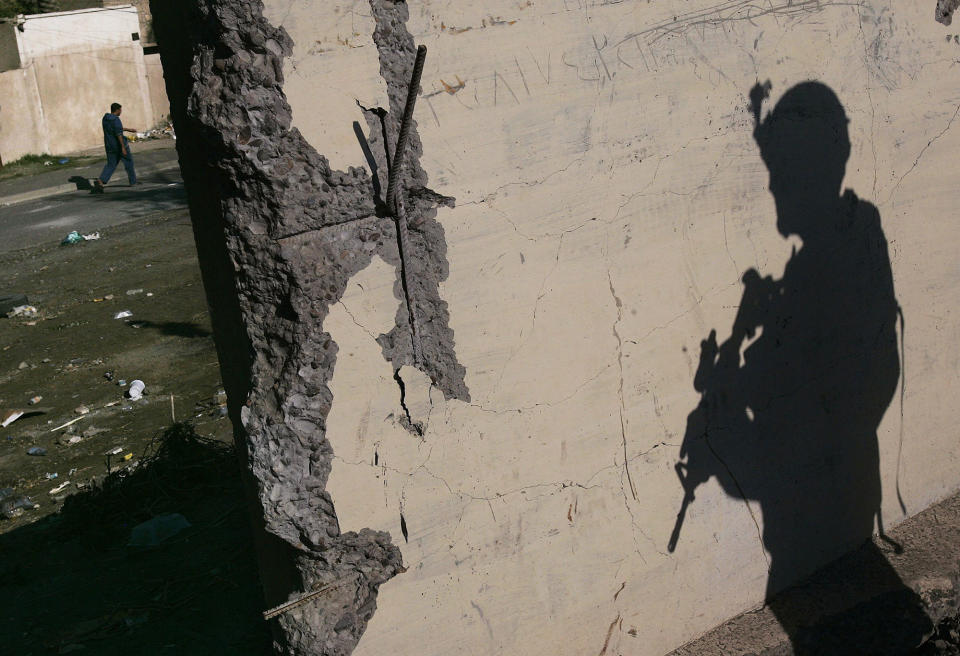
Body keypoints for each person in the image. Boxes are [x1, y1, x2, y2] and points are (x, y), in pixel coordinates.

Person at [672, 81, 932, 653]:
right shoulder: (839, 245)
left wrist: (730, 442)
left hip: (827, 524)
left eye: (780, 174)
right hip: (824, 526)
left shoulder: (838, 255)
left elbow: (838, 409)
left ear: (813, 169)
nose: (771, 188)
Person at [92, 102, 138, 193]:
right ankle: (133, 182)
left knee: (111, 164)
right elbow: (119, 134)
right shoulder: (116, 119)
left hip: (109, 145)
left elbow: (115, 128)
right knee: (129, 162)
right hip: (119, 145)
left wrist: (128, 129)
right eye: (120, 110)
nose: (121, 112)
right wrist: (123, 147)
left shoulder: (105, 119)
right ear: (117, 110)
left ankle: (101, 181)